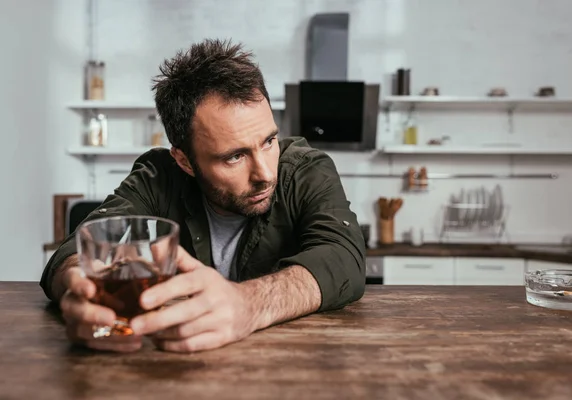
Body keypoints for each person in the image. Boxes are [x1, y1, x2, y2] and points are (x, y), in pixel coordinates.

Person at [40, 39, 366, 353]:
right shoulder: (159, 176)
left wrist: (250, 303)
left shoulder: (304, 169)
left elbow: (344, 256)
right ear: (184, 161)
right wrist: (78, 285)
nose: (265, 173)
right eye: (234, 156)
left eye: (268, 141)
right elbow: (74, 250)